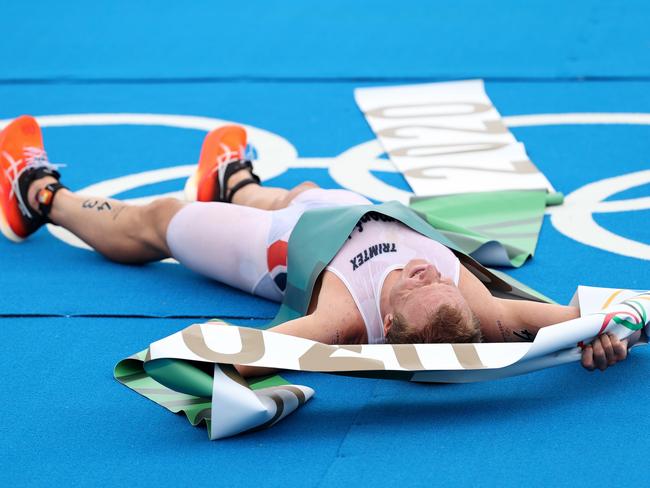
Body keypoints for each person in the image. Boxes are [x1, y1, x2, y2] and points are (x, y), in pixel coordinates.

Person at [0, 115, 632, 375]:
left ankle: (37, 196)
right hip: (351, 211)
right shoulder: (479, 309)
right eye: (437, 275)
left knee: (160, 220)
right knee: (295, 188)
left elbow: (260, 355)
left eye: (418, 283)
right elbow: (595, 315)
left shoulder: (346, 315)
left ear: (386, 321)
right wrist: (608, 333)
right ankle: (235, 182)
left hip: (274, 247)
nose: (425, 266)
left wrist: (208, 377)